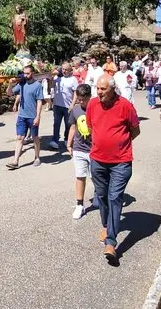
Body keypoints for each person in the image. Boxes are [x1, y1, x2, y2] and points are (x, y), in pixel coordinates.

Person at [87, 76, 140, 264]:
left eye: (103, 89)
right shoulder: (93, 105)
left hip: (121, 162)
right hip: (98, 160)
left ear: (113, 89)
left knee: (114, 197)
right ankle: (105, 224)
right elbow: (91, 126)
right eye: (97, 88)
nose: (99, 92)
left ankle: (111, 242)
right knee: (100, 196)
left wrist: (119, 144)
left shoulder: (125, 105)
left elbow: (135, 130)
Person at [7, 65, 46, 170]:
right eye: (24, 73)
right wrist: (10, 85)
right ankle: (15, 161)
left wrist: (38, 116)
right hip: (22, 116)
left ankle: (37, 157)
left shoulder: (37, 85)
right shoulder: (21, 83)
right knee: (19, 138)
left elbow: (39, 101)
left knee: (35, 138)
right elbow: (9, 93)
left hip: (32, 116)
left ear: (32, 73)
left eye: (28, 73)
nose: (25, 75)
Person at [67, 84, 94, 220]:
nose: (81, 102)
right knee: (80, 176)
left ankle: (100, 196)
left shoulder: (96, 108)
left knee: (96, 177)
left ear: (89, 97)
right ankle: (79, 204)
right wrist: (69, 143)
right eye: (79, 99)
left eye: (83, 99)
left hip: (94, 149)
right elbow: (73, 127)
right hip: (79, 148)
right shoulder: (75, 110)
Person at [50, 62, 79, 150]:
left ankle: (67, 139)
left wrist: (72, 104)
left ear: (70, 70)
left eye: (66, 69)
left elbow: (75, 93)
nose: (64, 71)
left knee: (68, 124)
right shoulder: (58, 78)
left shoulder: (73, 79)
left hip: (68, 106)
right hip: (57, 105)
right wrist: (51, 79)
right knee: (56, 124)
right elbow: (51, 87)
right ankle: (55, 141)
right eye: (63, 69)